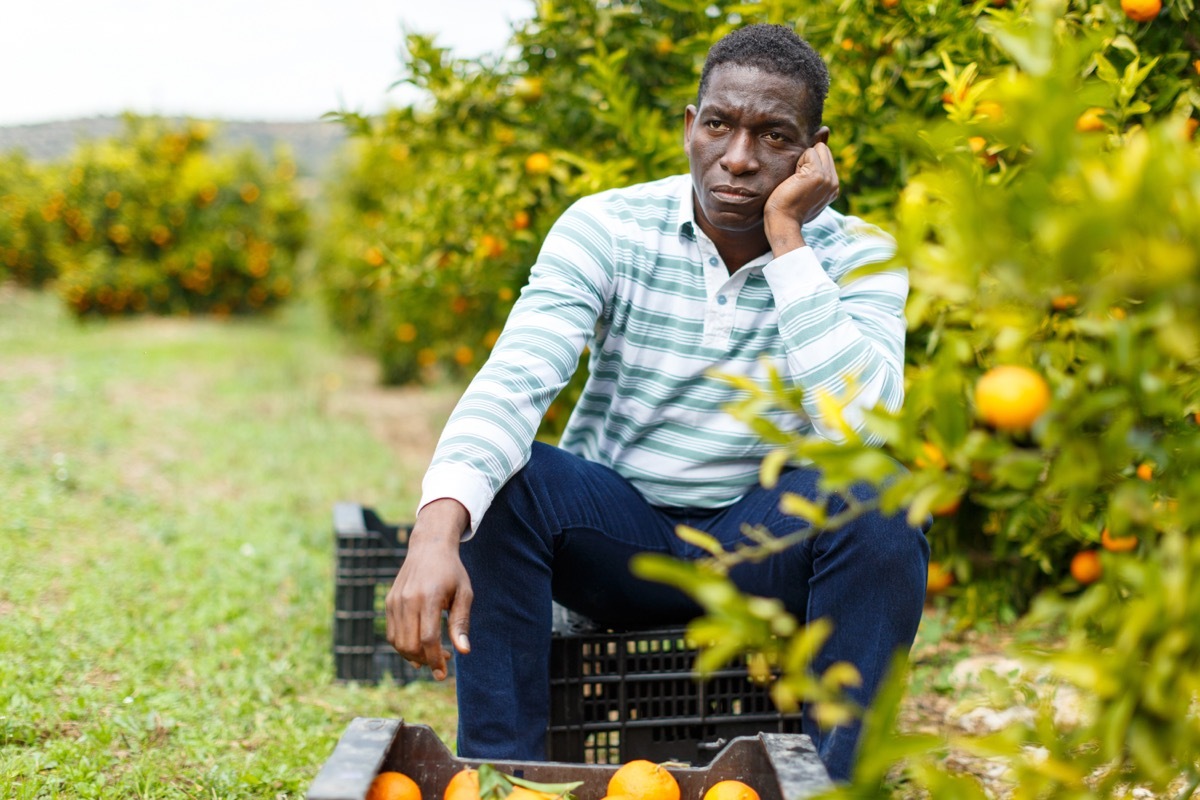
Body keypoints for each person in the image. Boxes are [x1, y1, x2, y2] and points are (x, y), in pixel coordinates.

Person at [385, 23, 930, 781]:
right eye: (720, 125)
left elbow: (861, 429)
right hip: (618, 542)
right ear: (689, 126)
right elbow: (519, 374)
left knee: (881, 498)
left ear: (815, 153)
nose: (738, 158)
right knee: (506, 485)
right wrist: (434, 527)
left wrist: (788, 242)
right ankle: (508, 783)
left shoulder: (862, 255)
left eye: (774, 136)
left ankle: (836, 788)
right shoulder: (608, 227)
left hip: (762, 549)